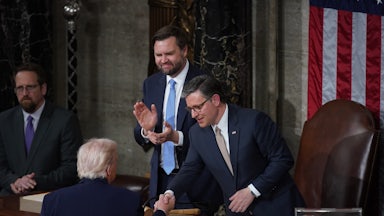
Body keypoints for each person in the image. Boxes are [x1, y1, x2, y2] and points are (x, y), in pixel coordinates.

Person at [160, 74, 306, 215]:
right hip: (237, 211)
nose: (193, 114)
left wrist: (252, 191)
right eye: (190, 109)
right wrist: (170, 193)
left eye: (197, 107)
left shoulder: (254, 121)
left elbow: (282, 160)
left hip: (275, 207)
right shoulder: (197, 133)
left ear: (215, 100)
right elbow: (190, 168)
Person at [133, 25, 222, 214]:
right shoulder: (151, 84)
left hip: (196, 183)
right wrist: (146, 131)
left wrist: (176, 137)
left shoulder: (204, 81)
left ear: (184, 50)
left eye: (169, 54)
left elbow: (214, 136)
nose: (163, 60)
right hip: (160, 180)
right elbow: (139, 132)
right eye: (158, 55)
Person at [0, 62, 83, 196]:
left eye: (30, 87)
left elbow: (71, 168)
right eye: (20, 88)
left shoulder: (65, 120)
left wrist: (35, 182)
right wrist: (14, 181)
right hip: (10, 196)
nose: (25, 93)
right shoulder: (4, 120)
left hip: (49, 196)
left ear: (43, 88)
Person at [41, 138, 144, 216]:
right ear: (108, 169)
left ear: (80, 166)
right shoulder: (131, 200)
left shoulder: (52, 201)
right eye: (116, 162)